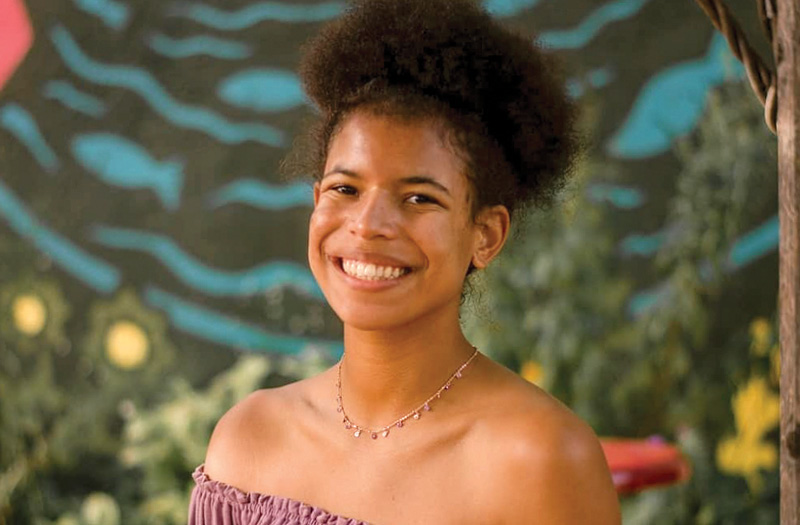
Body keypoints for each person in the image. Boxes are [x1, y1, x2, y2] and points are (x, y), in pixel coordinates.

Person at [189, 0, 621, 523]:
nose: (368, 225)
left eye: (419, 198)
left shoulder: (541, 461)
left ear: (485, 235)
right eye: (345, 188)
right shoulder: (247, 442)